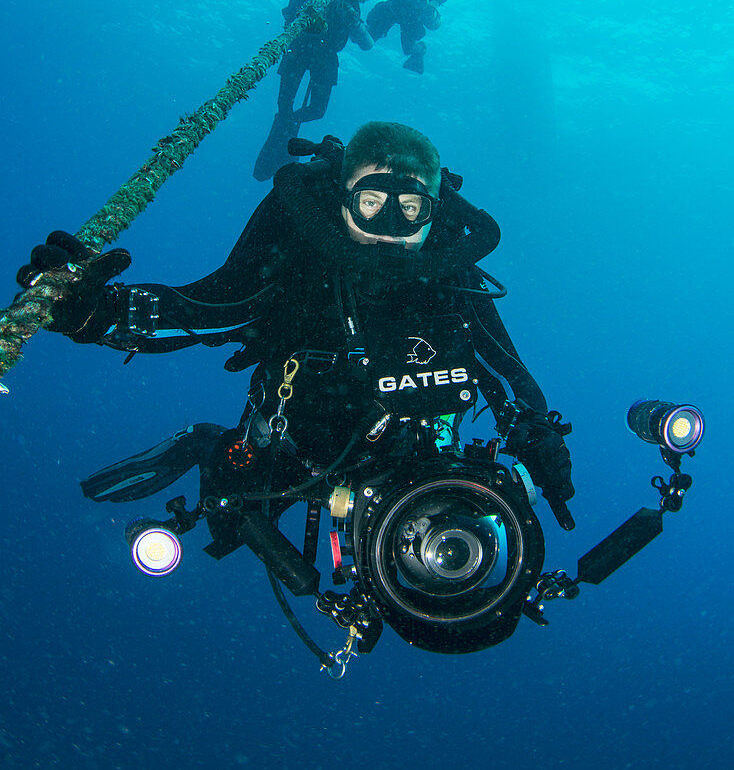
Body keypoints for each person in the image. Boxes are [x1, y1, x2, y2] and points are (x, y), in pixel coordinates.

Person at [16, 122, 573, 539]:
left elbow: (505, 366)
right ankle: (208, 447)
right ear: (341, 199)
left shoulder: (453, 278)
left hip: (416, 458)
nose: (388, 229)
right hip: (297, 448)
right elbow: (208, 310)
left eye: (409, 209)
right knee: (230, 528)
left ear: (435, 210)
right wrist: (96, 312)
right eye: (372, 203)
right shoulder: (300, 264)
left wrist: (534, 428)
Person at [253, 0, 375, 182]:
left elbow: (366, 29)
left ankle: (287, 129)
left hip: (324, 56)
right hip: (299, 48)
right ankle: (283, 133)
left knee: (316, 110)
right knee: (285, 105)